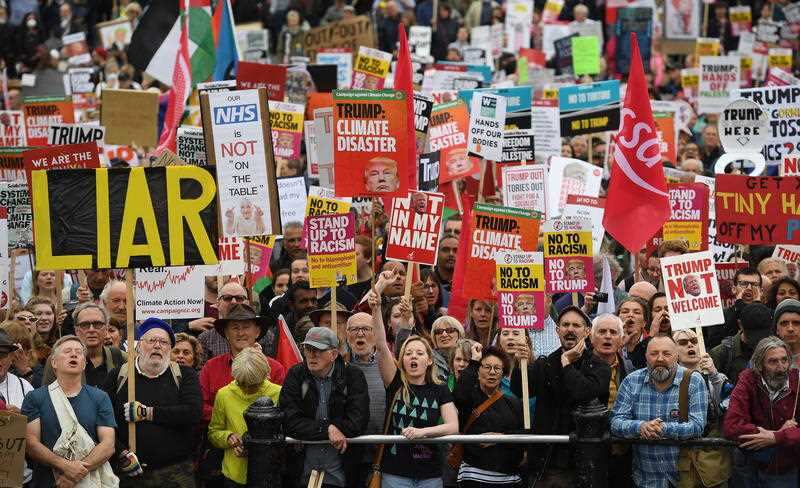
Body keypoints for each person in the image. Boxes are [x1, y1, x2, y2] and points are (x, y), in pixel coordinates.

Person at [510, 306, 612, 486]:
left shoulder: (599, 366)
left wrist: (566, 364)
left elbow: (584, 393)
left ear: (587, 331)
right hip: (547, 462)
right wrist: (520, 365)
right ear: (557, 330)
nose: (570, 329)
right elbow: (520, 390)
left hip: (584, 460)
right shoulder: (546, 363)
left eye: (576, 325)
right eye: (565, 325)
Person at [369, 288, 459, 487]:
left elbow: (453, 426)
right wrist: (375, 310)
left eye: (419, 353)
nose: (413, 357)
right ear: (402, 360)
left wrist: (422, 433)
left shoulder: (440, 389)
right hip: (395, 474)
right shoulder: (395, 383)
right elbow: (381, 345)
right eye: (408, 353)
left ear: (429, 360)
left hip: (430, 475)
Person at [103, 318, 202, 486]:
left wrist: (147, 413)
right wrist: (121, 453)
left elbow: (193, 413)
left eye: (163, 342)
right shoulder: (118, 375)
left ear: (170, 349)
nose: (157, 345)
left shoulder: (184, 375)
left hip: (175, 471)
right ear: (138, 346)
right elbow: (104, 421)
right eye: (151, 341)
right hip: (131, 470)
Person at [610, 335, 708, 487]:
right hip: (643, 478)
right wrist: (640, 427)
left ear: (676, 356)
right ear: (646, 357)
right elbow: (616, 421)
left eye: (666, 353)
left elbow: (697, 426)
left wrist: (663, 429)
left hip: (683, 479)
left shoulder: (694, 381)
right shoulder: (632, 381)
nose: (660, 358)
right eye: (654, 353)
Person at [22, 335, 118, 488]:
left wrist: (75, 475)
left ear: (84, 364)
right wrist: (66, 466)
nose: (74, 354)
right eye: (67, 351)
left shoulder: (100, 397)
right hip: (49, 482)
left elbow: (108, 444)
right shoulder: (35, 398)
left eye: (79, 352)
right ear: (54, 362)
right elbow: (31, 444)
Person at [279, 327, 369, 488]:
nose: (312, 355)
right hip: (302, 473)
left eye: (318, 350)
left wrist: (333, 428)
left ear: (334, 354)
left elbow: (358, 421)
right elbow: (289, 420)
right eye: (308, 349)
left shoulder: (353, 375)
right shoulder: (295, 374)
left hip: (341, 473)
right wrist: (328, 429)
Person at [724, 336, 800, 487]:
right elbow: (732, 426)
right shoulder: (748, 379)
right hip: (750, 466)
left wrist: (777, 437)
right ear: (759, 365)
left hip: (786, 469)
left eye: (784, 360)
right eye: (773, 361)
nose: (781, 367)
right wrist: (775, 433)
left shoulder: (797, 381)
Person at [200, 303, 286, 423]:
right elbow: (201, 406)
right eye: (235, 328)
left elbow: (283, 407)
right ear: (226, 333)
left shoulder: (275, 368)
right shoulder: (210, 367)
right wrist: (229, 417)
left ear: (257, 332)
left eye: (246, 327)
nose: (240, 333)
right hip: (222, 437)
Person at [209, 347, 281, 487]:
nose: (247, 389)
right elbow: (213, 432)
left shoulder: (278, 393)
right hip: (234, 475)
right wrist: (228, 437)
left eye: (253, 385)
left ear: (266, 374)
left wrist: (257, 449)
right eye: (242, 383)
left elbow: (284, 436)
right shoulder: (224, 394)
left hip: (268, 475)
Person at [452, 346, 523, 487]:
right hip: (474, 476)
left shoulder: (513, 402)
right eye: (487, 367)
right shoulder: (469, 398)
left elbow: (523, 433)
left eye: (497, 368)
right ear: (478, 372)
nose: (492, 372)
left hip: (508, 477)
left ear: (503, 374)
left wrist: (501, 437)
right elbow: (459, 395)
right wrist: (474, 362)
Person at [673, 329, 733, 487]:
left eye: (694, 341)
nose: (690, 345)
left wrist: (714, 375)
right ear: (673, 351)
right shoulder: (668, 380)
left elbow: (731, 406)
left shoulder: (717, 379)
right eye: (683, 343)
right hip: (681, 462)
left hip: (713, 462)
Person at [42, 303, 126, 387]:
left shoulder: (121, 357)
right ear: (76, 330)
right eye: (84, 325)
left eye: (97, 324)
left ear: (106, 329)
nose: (91, 329)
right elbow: (47, 396)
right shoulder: (58, 359)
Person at [711, 303, 774, 385]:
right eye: (753, 334)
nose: (759, 340)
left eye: (763, 334)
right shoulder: (721, 354)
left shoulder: (777, 349)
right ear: (740, 325)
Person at [706, 268, 763, 349]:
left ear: (761, 291)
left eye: (755, 285)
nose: (749, 288)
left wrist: (758, 307)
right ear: (733, 289)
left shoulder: (770, 314)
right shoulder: (720, 317)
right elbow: (714, 347)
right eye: (743, 283)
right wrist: (738, 310)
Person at [773, 299, 800, 368]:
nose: (790, 329)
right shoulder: (763, 358)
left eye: (796, 323)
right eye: (784, 323)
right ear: (777, 329)